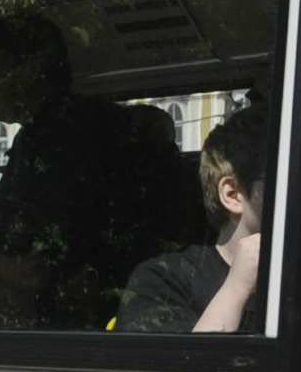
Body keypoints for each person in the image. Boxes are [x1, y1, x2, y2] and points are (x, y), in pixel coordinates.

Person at [116, 107, 274, 334]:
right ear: (232, 195)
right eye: (281, 179)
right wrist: (237, 288)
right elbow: (180, 366)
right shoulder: (162, 280)